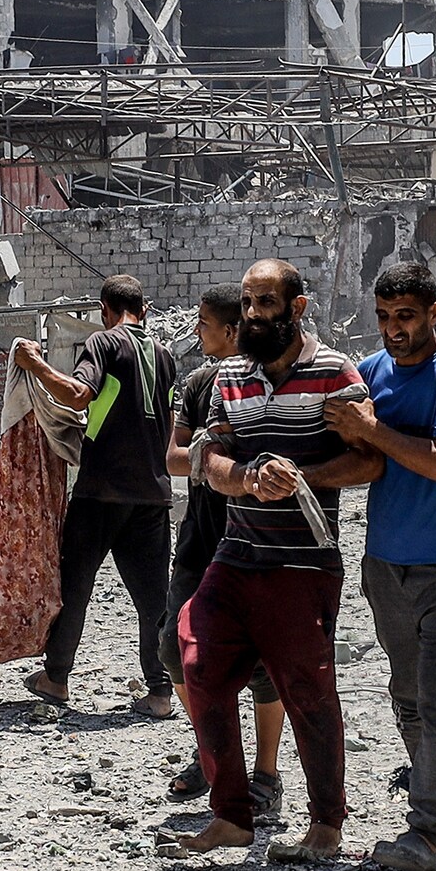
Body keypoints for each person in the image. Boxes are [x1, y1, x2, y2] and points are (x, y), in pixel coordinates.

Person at [178, 259, 367, 863]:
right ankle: (231, 815)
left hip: (303, 563)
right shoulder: (228, 374)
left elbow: (371, 460)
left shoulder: (336, 373)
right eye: (248, 303)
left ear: (297, 307)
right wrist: (247, 481)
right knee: (197, 663)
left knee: (307, 692)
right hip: (236, 556)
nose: (255, 315)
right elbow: (207, 457)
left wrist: (301, 479)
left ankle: (326, 824)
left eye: (266, 303)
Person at [323, 261, 436, 871]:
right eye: (385, 317)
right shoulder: (371, 373)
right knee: (407, 693)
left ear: (433, 315)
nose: (395, 329)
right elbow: (353, 445)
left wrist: (373, 428)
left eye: (407, 317)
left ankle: (425, 830)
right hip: (387, 564)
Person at [11, 275, 179, 717]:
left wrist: (38, 366)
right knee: (153, 601)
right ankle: (161, 692)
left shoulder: (103, 343)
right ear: (143, 310)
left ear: (105, 310)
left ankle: (57, 678)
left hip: (101, 492)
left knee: (75, 585)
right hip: (153, 496)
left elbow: (80, 395)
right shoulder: (165, 356)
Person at [163, 287, 286, 818]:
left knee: (262, 662)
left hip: (258, 540)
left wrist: (223, 463)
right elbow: (172, 457)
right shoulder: (193, 385)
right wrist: (222, 461)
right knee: (174, 649)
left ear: (233, 331)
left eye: (205, 325)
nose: (198, 334)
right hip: (202, 537)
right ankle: (214, 754)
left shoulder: (271, 382)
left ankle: (266, 774)